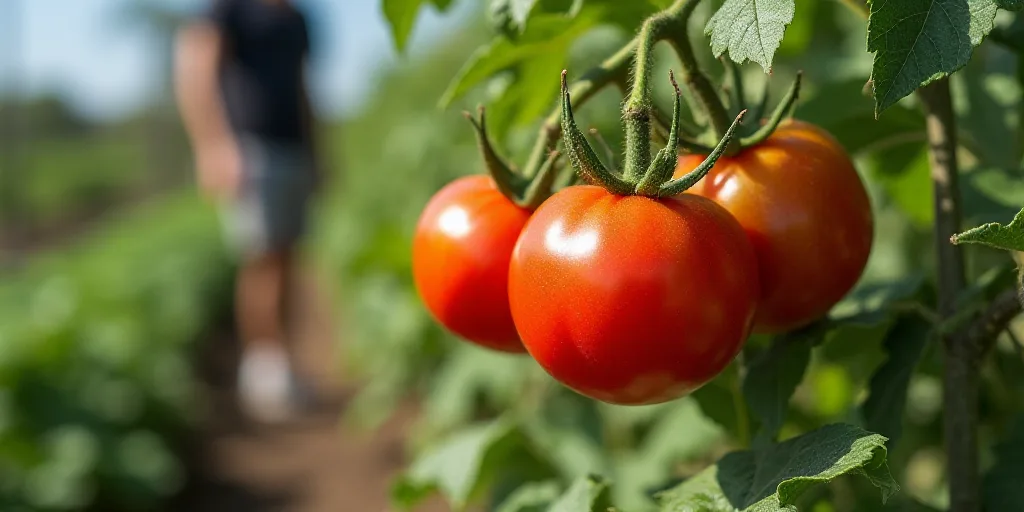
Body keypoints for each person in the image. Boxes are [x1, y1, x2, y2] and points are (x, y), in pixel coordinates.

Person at [174, 0, 319, 422]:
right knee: (262, 258)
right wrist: (213, 146)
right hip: (250, 151)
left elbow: (303, 86)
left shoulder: (297, 19)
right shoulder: (230, 9)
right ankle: (262, 371)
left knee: (289, 259)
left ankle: (285, 364)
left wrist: (318, 154)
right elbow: (195, 70)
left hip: (294, 152)